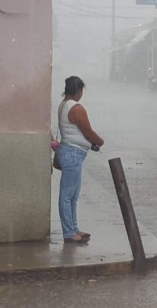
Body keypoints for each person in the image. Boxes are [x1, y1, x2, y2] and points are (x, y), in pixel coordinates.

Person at [56, 76, 104, 244]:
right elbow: (88, 132)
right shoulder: (76, 108)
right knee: (67, 195)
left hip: (70, 152)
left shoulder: (64, 105)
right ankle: (69, 232)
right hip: (72, 153)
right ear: (78, 91)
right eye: (81, 91)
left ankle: (74, 228)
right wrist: (99, 141)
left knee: (73, 195)